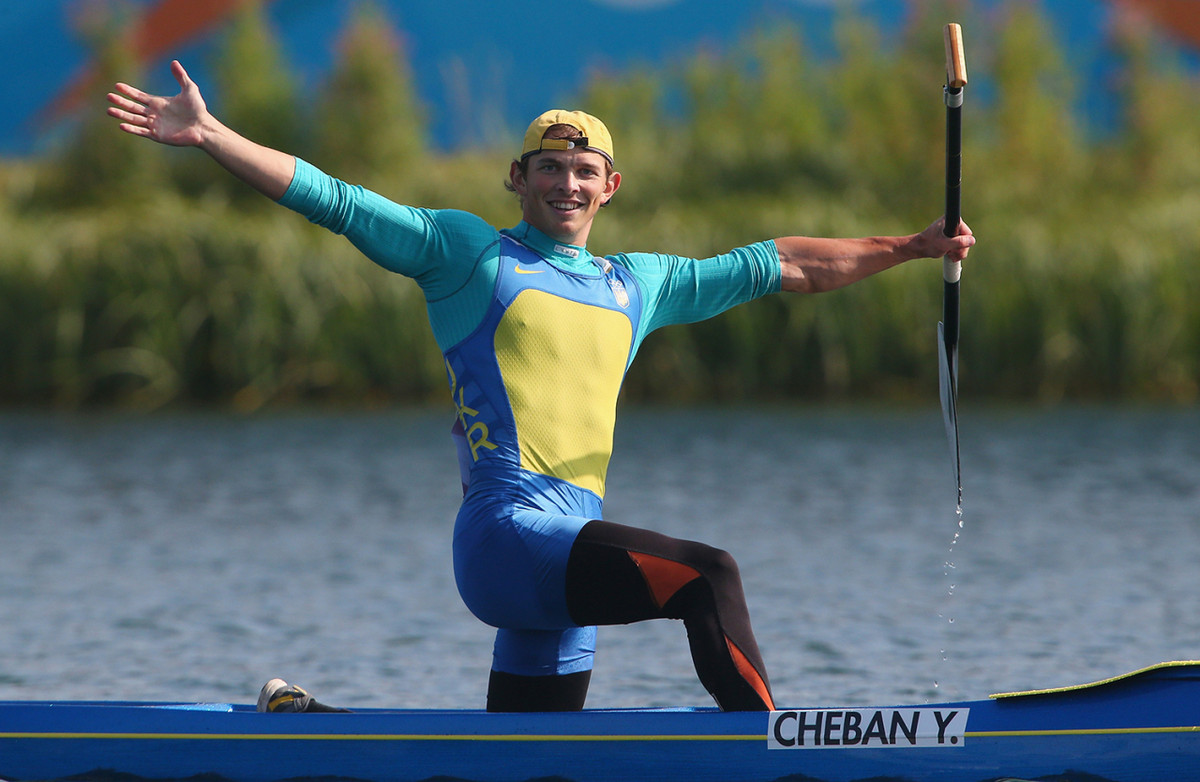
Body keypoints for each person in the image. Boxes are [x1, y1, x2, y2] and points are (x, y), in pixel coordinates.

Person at [107, 60, 975, 713]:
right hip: (507, 537)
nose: (567, 184)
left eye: (584, 171)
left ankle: (311, 729)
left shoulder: (638, 285)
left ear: (610, 187)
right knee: (708, 576)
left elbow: (784, 263)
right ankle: (780, 758)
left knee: (527, 763)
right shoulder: (466, 255)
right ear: (517, 179)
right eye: (549, 169)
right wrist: (213, 136)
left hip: (568, 548)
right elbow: (337, 200)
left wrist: (909, 247)